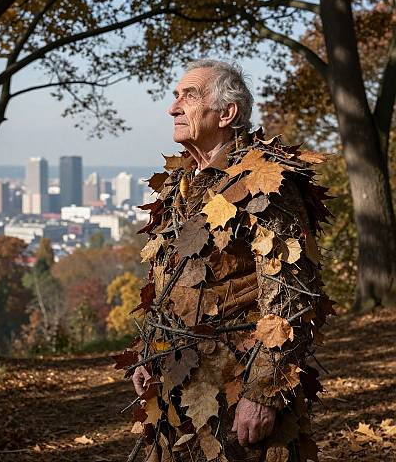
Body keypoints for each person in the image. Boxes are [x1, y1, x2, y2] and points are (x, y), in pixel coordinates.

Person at [117, 59, 334, 462]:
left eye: (190, 96)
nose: (173, 108)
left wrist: (263, 392)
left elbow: (291, 295)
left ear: (227, 113)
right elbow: (166, 282)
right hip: (175, 385)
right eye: (176, 96)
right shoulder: (176, 188)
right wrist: (147, 349)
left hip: (235, 387)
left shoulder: (262, 183)